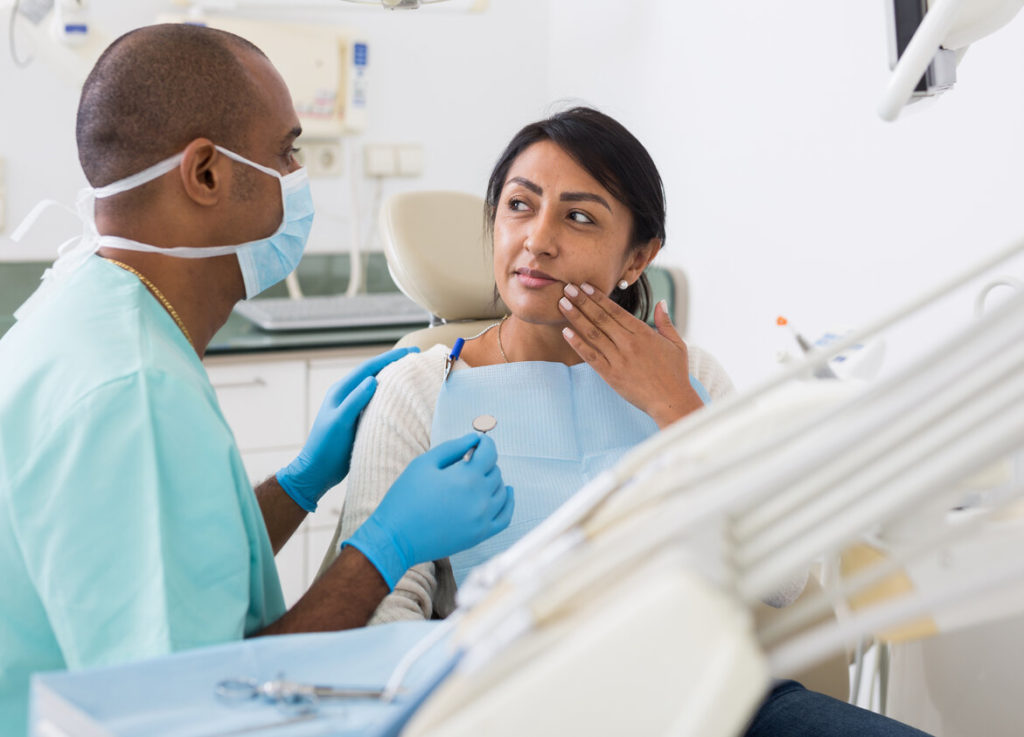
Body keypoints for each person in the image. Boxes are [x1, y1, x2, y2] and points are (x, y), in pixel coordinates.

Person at [320, 107, 932, 736]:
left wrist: (677, 409)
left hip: (712, 703)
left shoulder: (691, 376)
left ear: (638, 257)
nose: (538, 239)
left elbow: (784, 582)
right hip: (514, 707)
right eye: (519, 206)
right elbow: (383, 617)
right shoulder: (420, 387)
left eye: (578, 216)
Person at [0, 24, 512, 735]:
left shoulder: (98, 308)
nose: (300, 176)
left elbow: (173, 564)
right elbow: (205, 702)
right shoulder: (131, 388)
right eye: (287, 152)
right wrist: (387, 547)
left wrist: (300, 482)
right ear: (206, 173)